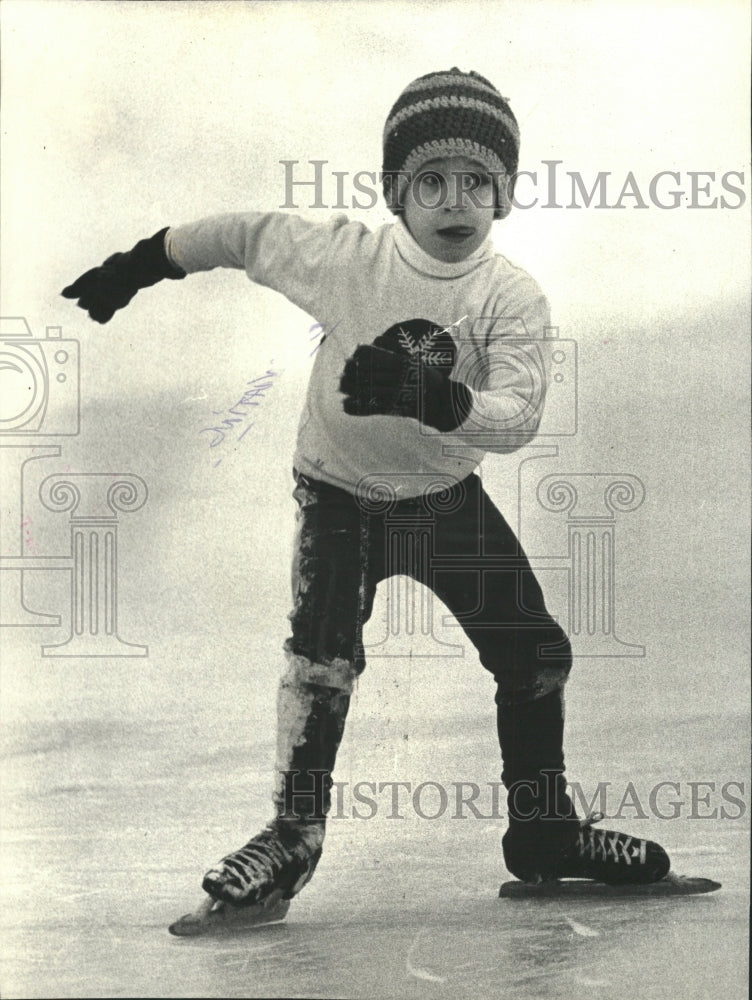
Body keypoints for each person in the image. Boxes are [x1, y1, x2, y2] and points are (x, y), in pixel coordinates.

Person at [62, 68, 670, 906]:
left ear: (505, 196)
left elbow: (520, 415)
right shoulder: (346, 258)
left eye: (476, 183)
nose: (454, 201)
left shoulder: (510, 296)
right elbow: (244, 234)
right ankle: (290, 838)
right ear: (396, 193)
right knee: (322, 665)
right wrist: (143, 263)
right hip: (340, 498)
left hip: (442, 503)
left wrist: (434, 398)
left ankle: (543, 831)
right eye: (430, 182)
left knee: (535, 654)